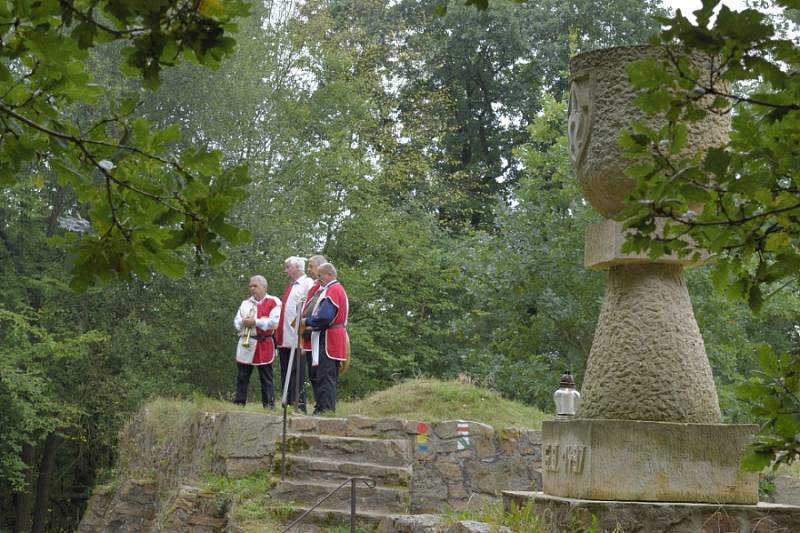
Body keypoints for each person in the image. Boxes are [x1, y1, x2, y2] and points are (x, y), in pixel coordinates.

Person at [303, 262, 349, 414]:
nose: (318, 278)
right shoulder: (332, 289)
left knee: (326, 375)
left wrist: (307, 321)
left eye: (320, 275)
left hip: (330, 338)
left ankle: (326, 410)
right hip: (329, 336)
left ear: (330, 274)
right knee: (322, 374)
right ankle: (321, 407)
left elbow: (325, 317)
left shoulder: (334, 290)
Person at [233, 275, 282, 408]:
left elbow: (274, 322)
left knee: (266, 376)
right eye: (251, 286)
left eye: (255, 286)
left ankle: (269, 404)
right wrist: (244, 322)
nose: (252, 289)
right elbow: (237, 322)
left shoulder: (274, 301)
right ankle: (239, 402)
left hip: (264, 343)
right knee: (242, 375)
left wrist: (255, 321)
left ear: (264, 287)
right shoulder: (245, 303)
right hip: (246, 341)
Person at [275, 256, 314, 412]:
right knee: (286, 370)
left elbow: (310, 306)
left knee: (298, 371)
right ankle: (288, 402)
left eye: (288, 267)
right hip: (286, 335)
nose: (286, 271)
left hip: (298, 335)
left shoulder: (307, 283)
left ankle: (299, 403)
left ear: (297, 267)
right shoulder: (291, 287)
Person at [300, 255, 327, 410]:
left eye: (311, 266)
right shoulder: (314, 287)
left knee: (319, 373)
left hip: (319, 334)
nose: (308, 270)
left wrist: (308, 321)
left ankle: (323, 406)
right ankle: (319, 404)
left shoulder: (325, 287)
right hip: (308, 334)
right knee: (312, 373)